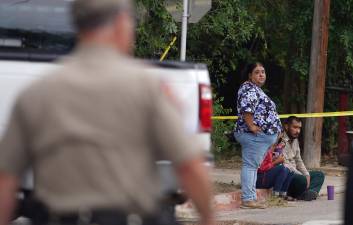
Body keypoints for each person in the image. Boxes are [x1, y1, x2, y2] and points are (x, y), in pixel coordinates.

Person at [0, 1, 215, 225]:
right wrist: (209, 218)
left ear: (77, 27)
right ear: (122, 22)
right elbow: (190, 165)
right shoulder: (148, 88)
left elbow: (5, 178)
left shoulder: (36, 94)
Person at [234, 62, 282, 209]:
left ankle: (251, 197)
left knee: (252, 166)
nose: (261, 74)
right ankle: (248, 199)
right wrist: (251, 126)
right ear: (250, 75)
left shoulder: (255, 89)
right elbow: (247, 108)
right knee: (250, 166)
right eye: (257, 72)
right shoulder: (249, 89)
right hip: (251, 135)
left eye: (263, 71)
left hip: (258, 137)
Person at [282, 116, 325, 201]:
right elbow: (285, 163)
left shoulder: (295, 140)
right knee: (301, 179)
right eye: (295, 127)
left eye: (299, 128)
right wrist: (302, 176)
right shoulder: (280, 140)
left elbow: (299, 161)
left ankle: (307, 193)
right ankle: (303, 193)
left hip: (297, 175)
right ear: (286, 126)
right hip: (287, 174)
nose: (298, 131)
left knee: (319, 175)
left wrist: (307, 175)